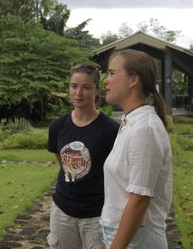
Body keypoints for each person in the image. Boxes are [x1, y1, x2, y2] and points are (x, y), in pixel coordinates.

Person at [100, 49, 172, 249]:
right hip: (126, 237)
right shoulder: (131, 123)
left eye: (112, 73)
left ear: (133, 80)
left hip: (138, 240)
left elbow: (140, 199)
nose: (106, 80)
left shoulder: (145, 129)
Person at [47, 63, 119, 249]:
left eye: (86, 87)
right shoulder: (57, 126)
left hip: (97, 216)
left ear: (97, 90)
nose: (78, 93)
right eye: (74, 86)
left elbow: (117, 174)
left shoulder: (111, 130)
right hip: (62, 211)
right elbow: (62, 163)